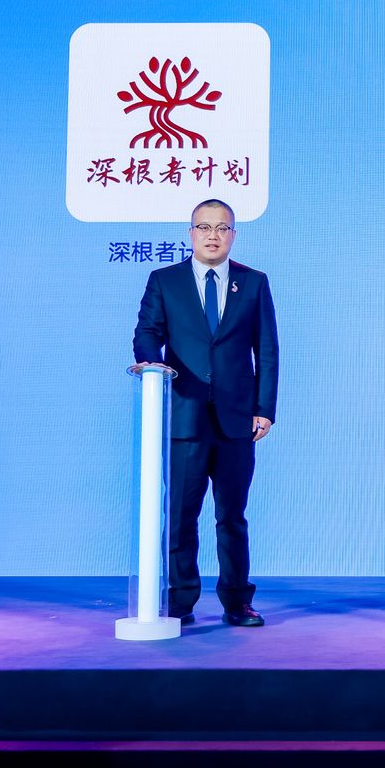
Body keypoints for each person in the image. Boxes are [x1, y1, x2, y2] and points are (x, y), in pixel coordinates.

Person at [132, 198, 278, 627]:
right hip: (184, 415)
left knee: (232, 516)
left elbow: (267, 350)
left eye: (222, 228)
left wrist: (264, 408)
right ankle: (180, 601)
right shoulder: (165, 281)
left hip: (237, 420)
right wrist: (151, 364)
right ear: (190, 233)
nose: (213, 236)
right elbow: (147, 332)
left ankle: (237, 601)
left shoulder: (253, 282)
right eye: (204, 227)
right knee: (181, 516)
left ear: (233, 235)